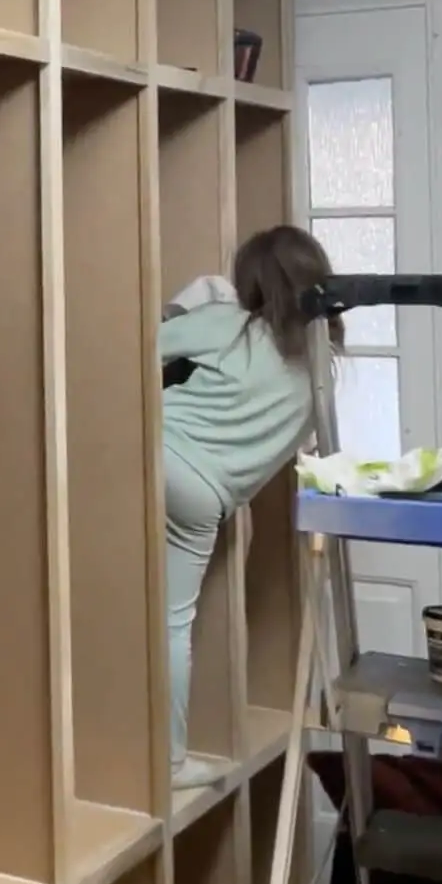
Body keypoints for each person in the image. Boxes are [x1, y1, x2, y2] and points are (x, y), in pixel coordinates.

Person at [160, 226, 343, 789]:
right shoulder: (319, 379)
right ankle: (170, 763)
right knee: (172, 622)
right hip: (204, 498)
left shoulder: (233, 327)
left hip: (151, 452)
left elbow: (135, 344)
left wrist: (188, 308)